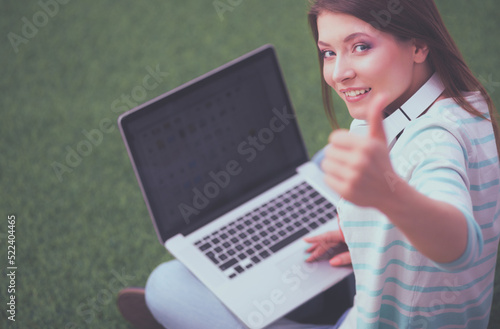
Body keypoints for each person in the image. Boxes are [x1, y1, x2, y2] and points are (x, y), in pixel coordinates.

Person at [117, 0, 500, 328]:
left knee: (166, 286)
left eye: (361, 46)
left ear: (418, 44)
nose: (338, 73)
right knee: (326, 162)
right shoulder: (466, 104)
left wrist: (388, 195)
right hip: (414, 290)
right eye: (329, 52)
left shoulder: (435, 142)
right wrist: (373, 234)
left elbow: (461, 244)